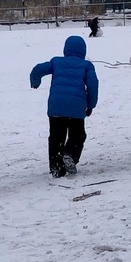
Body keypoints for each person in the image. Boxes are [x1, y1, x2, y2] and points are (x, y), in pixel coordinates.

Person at [30, 35, 99, 178]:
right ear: (83, 50)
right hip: (76, 108)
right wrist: (90, 105)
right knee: (78, 135)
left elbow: (37, 69)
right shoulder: (86, 65)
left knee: (56, 138)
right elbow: (93, 85)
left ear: (65, 49)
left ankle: (57, 168)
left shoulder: (56, 62)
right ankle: (70, 155)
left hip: (56, 107)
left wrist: (35, 82)